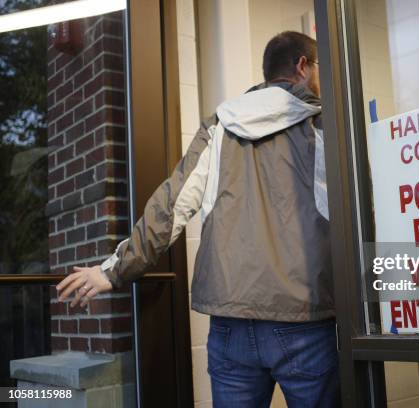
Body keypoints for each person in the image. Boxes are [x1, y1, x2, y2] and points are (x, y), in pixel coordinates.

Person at [56, 31, 339, 407]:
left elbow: (171, 205)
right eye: (319, 66)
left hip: (229, 324)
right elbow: (354, 212)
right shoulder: (324, 125)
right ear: (303, 66)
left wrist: (111, 271)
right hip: (306, 320)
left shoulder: (221, 125)